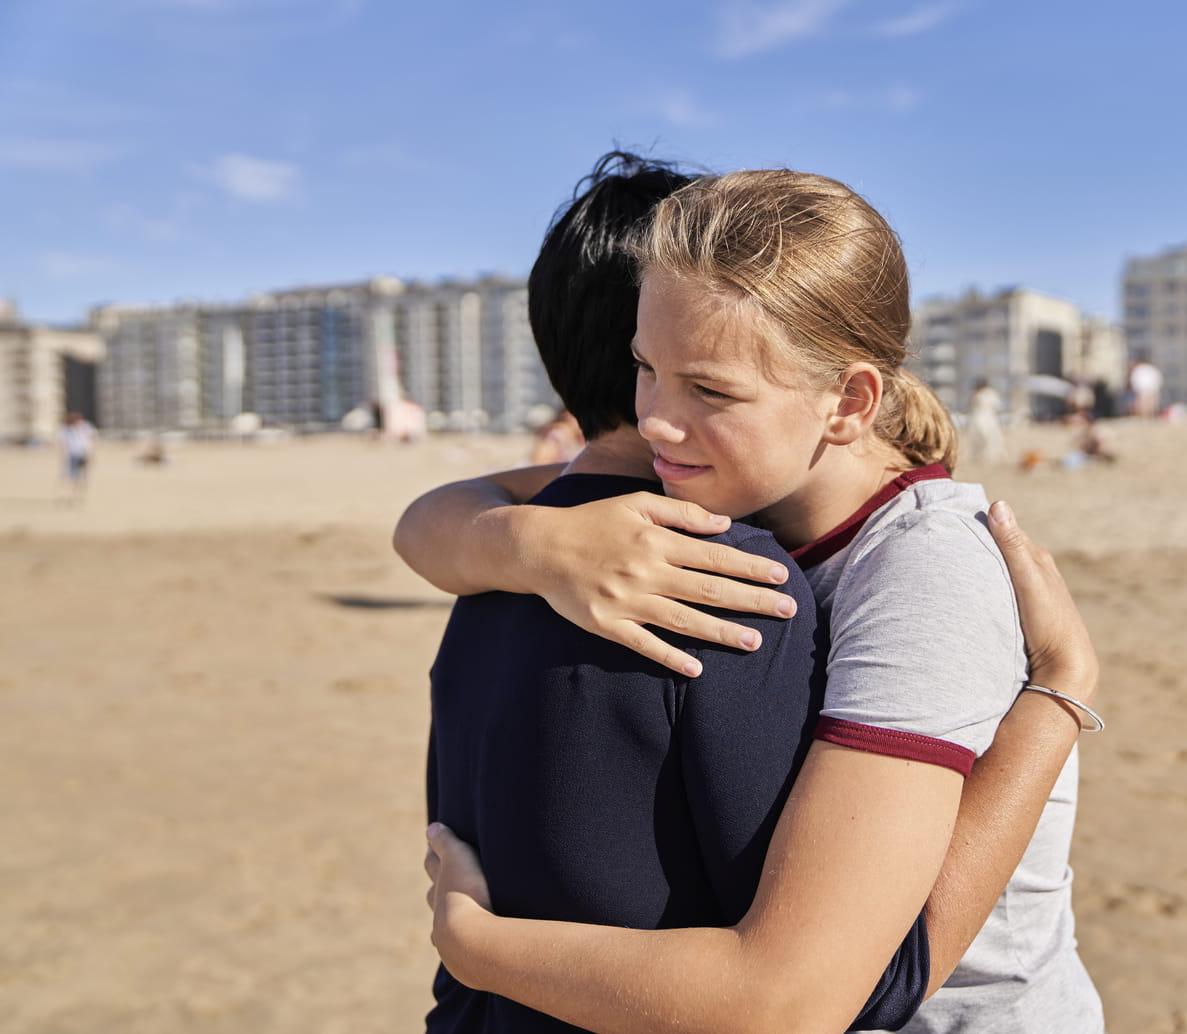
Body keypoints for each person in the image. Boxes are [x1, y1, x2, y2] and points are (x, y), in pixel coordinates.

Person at [408, 170, 1103, 1032]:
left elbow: (798, 998)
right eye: (644, 368)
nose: (654, 421)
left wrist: (1061, 691)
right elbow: (435, 517)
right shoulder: (735, 477)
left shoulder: (923, 570)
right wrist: (536, 545)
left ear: (849, 403)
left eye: (709, 390)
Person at [964, 378, 1006, 465]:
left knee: (990, 438)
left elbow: (995, 407)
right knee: (979, 439)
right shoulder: (976, 394)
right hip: (979, 418)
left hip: (986, 418)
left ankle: (991, 456)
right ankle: (980, 457)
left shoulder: (989, 393)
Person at [58, 411, 96, 505]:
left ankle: (80, 496)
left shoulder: (85, 427)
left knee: (84, 476)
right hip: (72, 455)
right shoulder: (66, 430)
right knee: (70, 476)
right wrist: (64, 454)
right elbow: (62, 443)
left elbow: (93, 437)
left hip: (83, 454)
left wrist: (92, 452)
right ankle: (68, 495)